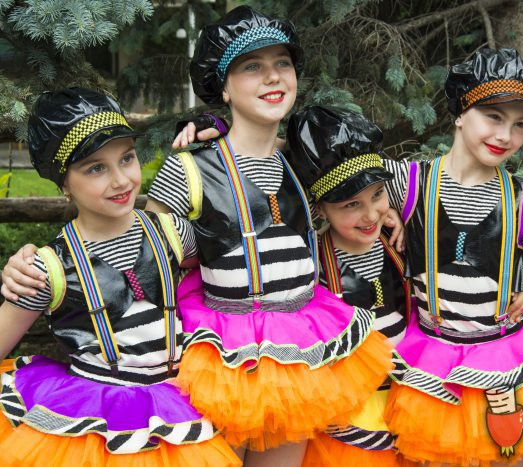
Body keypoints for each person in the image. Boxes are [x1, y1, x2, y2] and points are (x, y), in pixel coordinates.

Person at [142, 6, 393, 466]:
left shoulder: (304, 165)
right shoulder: (190, 170)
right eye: (252, 66)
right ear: (222, 86)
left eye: (282, 63)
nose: (273, 76)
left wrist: (387, 209)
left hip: (300, 350)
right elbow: (143, 255)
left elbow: (375, 183)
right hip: (224, 356)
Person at [0, 88, 240, 466]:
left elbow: (232, 269)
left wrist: (220, 132)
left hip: (180, 407)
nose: (120, 180)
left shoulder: (172, 232)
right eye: (96, 168)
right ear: (64, 183)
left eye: (126, 158)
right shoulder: (47, 269)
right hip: (96, 427)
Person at [379, 48, 523, 465]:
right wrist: (379, 210)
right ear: (460, 112)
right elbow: (330, 170)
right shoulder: (407, 182)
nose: (505, 136)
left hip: (509, 357)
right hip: (434, 360)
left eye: (519, 125)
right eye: (493, 116)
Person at [269, 106, 408, 466]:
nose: (370, 214)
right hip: (347, 424)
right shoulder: (311, 264)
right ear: (320, 209)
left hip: (408, 413)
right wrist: (220, 128)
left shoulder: (401, 243)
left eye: (377, 195)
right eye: (351, 205)